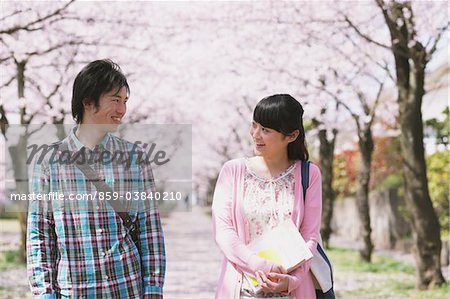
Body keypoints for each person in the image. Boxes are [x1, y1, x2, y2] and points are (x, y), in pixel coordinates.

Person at [27, 59, 166, 298]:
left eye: (125, 101)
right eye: (115, 100)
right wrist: (44, 292)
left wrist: (153, 288)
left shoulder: (135, 158)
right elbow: (40, 235)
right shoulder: (48, 162)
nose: (122, 110)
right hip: (74, 292)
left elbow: (149, 228)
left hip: (126, 288)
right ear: (88, 102)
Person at [212, 94, 322, 298]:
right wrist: (260, 265)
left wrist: (293, 280)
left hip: (291, 291)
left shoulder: (309, 174)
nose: (255, 134)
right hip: (242, 289)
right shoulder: (233, 171)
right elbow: (224, 231)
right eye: (254, 125)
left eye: (265, 130)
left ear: (291, 136)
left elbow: (310, 235)